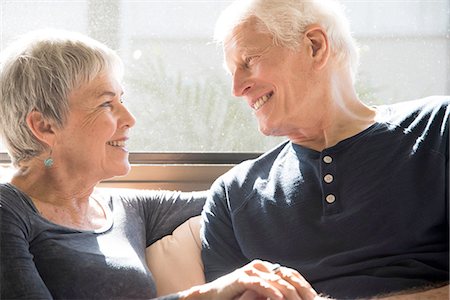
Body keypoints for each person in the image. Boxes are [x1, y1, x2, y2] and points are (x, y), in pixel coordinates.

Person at [0, 29, 317, 300]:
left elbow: (238, 193)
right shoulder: (8, 212)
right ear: (44, 127)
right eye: (107, 103)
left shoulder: (127, 209)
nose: (129, 119)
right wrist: (208, 294)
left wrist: (318, 130)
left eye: (122, 100)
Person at [201, 0, 449, 299]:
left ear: (315, 46)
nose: (237, 89)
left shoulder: (439, 128)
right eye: (232, 73)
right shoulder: (232, 195)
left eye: (248, 60)